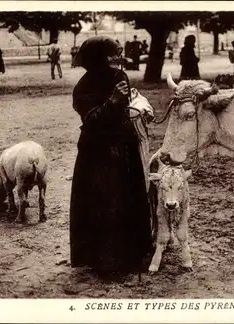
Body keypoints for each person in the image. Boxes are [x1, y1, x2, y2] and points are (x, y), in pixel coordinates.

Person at [70, 36, 153, 279]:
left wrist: (120, 100)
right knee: (103, 204)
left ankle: (132, 254)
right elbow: (92, 120)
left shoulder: (119, 77)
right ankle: (104, 260)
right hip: (96, 152)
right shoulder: (82, 88)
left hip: (121, 146)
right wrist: (113, 101)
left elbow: (124, 108)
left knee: (125, 200)